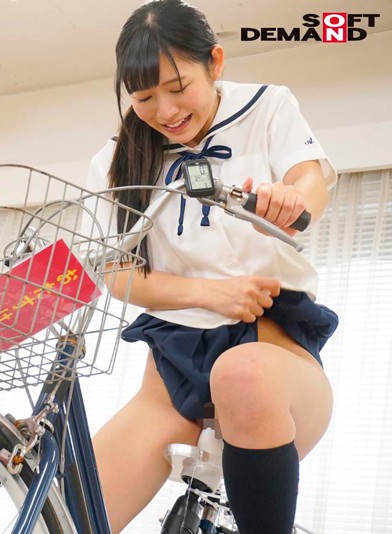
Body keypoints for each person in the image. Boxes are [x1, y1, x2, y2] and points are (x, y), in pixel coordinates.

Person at [87, 1, 339, 533]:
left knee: (241, 374)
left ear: (215, 63)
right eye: (144, 98)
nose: (165, 111)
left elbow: (309, 179)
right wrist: (211, 294)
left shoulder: (268, 106)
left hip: (272, 355)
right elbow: (115, 273)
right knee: (68, 510)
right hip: (171, 377)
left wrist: (290, 201)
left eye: (178, 88)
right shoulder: (114, 159)